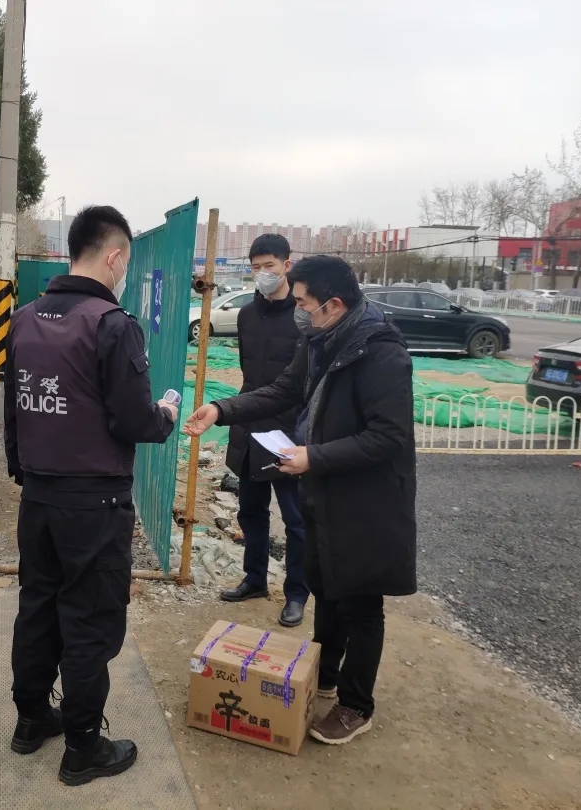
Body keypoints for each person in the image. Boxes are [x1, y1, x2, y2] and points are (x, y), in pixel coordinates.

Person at [184, 254, 416, 745]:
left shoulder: (381, 352)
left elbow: (389, 437)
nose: (299, 311)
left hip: (366, 500)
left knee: (361, 603)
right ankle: (324, 674)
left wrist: (315, 456)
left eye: (305, 303)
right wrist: (221, 409)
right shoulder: (320, 341)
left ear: (334, 304)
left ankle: (356, 705)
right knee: (326, 586)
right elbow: (284, 390)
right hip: (324, 488)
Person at [4, 205, 178, 785]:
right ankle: (83, 746)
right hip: (94, 503)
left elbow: (15, 407)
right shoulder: (112, 324)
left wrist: (23, 471)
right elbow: (133, 419)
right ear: (114, 256)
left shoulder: (25, 318)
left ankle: (31, 718)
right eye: (125, 261)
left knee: (38, 605)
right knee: (89, 618)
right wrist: (165, 415)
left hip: (39, 495)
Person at [219, 234, 309, 628]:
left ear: (287, 265)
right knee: (251, 511)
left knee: (296, 519)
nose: (262, 274)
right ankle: (254, 579)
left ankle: (297, 593)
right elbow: (248, 370)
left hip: (289, 431)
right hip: (249, 424)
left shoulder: (303, 317)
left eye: (269, 266)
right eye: (255, 267)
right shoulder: (246, 315)